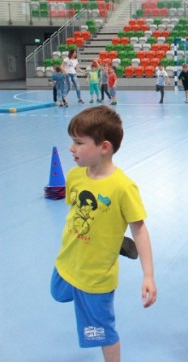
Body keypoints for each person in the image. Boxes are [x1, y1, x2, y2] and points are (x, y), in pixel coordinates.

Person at [50, 105, 157, 362]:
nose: (71, 148)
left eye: (78, 142)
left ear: (104, 147)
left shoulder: (123, 187)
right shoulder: (75, 176)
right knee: (57, 293)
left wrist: (148, 275)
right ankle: (113, 240)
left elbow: (140, 229)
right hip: (68, 260)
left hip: (95, 276)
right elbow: (75, 213)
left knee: (102, 332)